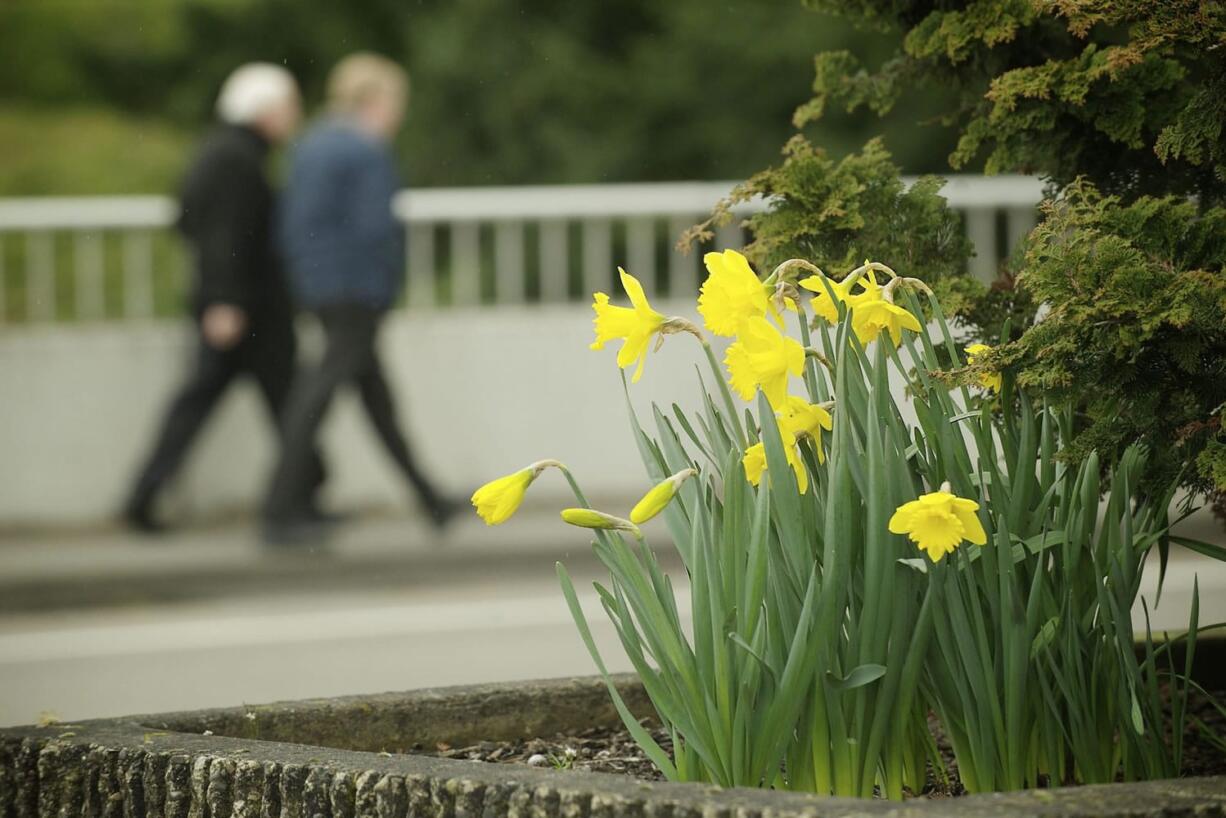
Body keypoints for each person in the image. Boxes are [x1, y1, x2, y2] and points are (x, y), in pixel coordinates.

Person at [264, 53, 457, 542]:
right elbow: (376, 229)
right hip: (355, 289)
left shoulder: (310, 144)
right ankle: (279, 510)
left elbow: (293, 222)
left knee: (375, 398)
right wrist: (384, 289)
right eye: (396, 103)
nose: (398, 115)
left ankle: (430, 500)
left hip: (319, 285)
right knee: (317, 394)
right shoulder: (366, 150)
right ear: (374, 101)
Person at [123, 63, 322, 532]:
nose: (294, 115)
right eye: (288, 105)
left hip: (240, 306)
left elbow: (191, 222)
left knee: (246, 400)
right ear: (264, 110)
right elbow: (224, 236)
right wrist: (225, 300)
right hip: (244, 310)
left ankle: (304, 492)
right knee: (278, 400)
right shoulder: (237, 158)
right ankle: (298, 499)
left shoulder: (222, 152)